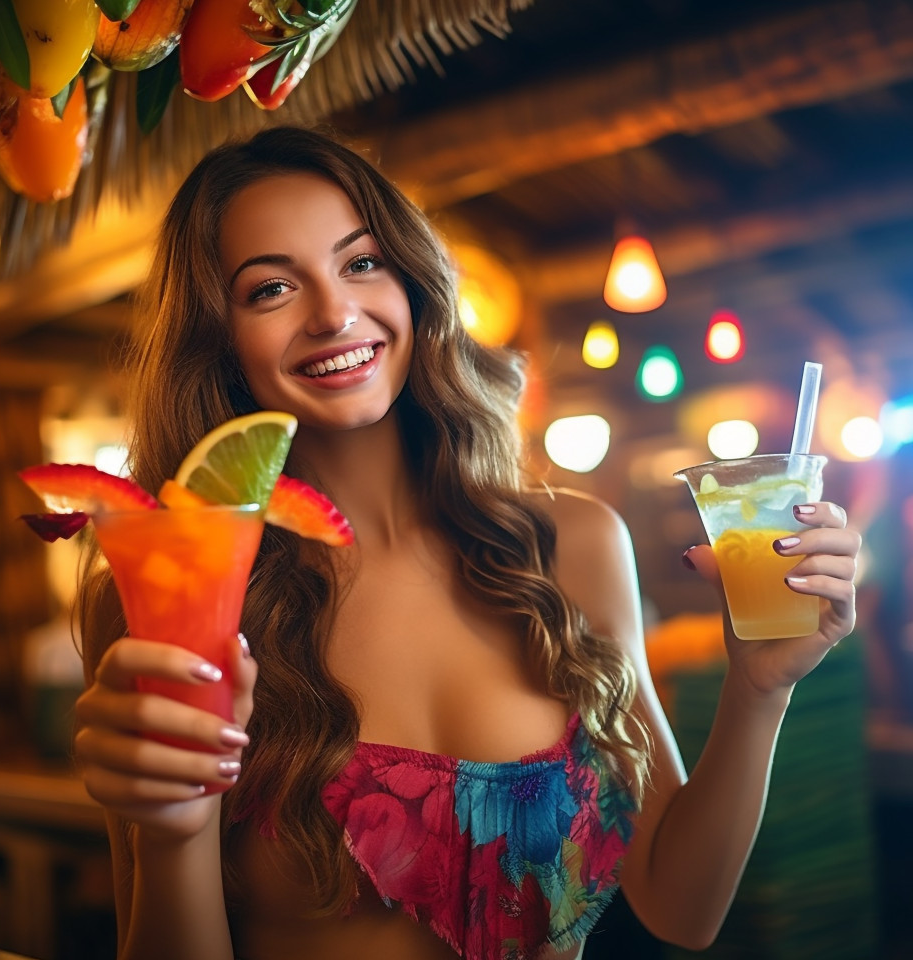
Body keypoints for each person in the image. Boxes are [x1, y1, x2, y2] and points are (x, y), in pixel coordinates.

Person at [72, 126, 861, 960]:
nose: (335, 312)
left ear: (412, 285)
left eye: (361, 262)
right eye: (270, 289)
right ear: (217, 339)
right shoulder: (174, 596)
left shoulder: (576, 544)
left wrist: (759, 690)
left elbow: (680, 905)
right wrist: (172, 833)